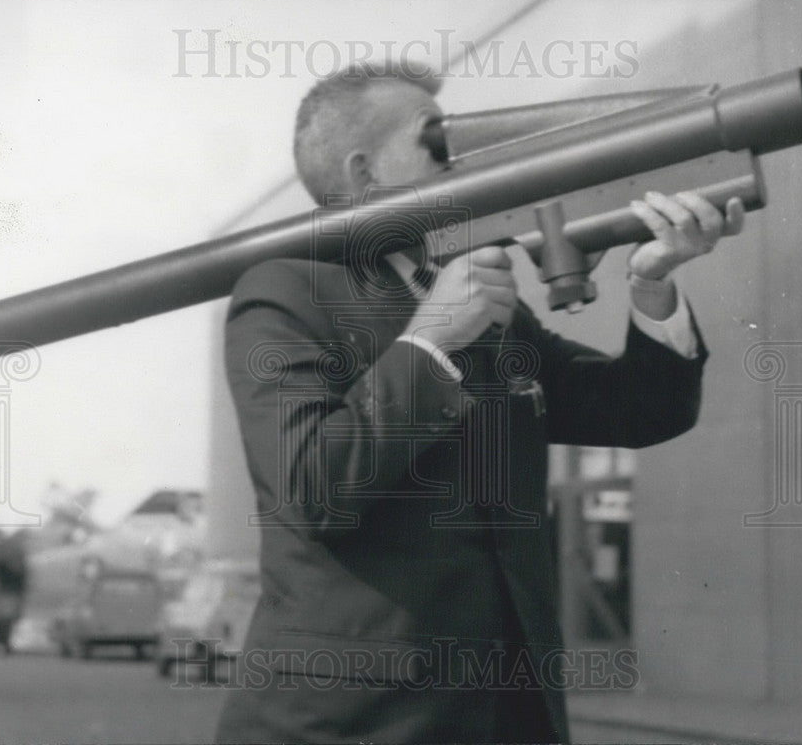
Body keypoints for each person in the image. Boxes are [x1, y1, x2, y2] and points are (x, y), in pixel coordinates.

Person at [216, 63, 743, 743]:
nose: (462, 159)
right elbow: (311, 489)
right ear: (363, 172)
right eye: (437, 141)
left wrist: (651, 284)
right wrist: (433, 339)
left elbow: (641, 410)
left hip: (509, 716)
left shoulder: (486, 304)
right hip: (351, 722)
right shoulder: (285, 291)